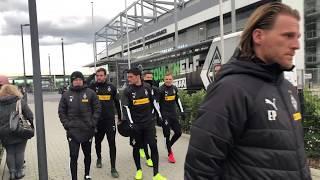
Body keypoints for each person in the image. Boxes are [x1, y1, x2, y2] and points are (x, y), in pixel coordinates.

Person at [185, 2, 311, 180]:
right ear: (258, 36)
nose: (296, 45)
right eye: (288, 36)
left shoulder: (287, 88)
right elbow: (200, 168)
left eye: (298, 36)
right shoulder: (230, 90)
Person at [121, 68, 166, 180]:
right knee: (137, 147)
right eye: (128, 76)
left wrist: (159, 115)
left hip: (149, 124)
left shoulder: (147, 87)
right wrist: (131, 123)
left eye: (131, 76)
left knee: (153, 147)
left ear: (138, 76)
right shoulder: (127, 91)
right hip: (136, 125)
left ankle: (156, 174)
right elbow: (125, 108)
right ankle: (139, 170)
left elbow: (153, 103)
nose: (128, 78)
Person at [58, 71, 101, 180]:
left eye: (79, 80)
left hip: (88, 130)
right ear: (72, 81)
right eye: (75, 80)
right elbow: (61, 111)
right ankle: (74, 178)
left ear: (83, 81)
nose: (78, 82)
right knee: (73, 156)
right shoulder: (66, 94)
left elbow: (97, 109)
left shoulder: (90, 93)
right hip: (73, 131)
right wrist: (67, 124)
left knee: (87, 154)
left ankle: (87, 175)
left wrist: (93, 123)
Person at [87, 68, 121, 178]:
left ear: (105, 76)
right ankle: (99, 158)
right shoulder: (92, 87)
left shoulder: (112, 87)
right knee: (97, 142)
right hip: (97, 121)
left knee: (112, 143)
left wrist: (120, 117)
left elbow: (117, 103)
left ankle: (113, 168)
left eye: (101, 75)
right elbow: (84, 85)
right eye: (97, 75)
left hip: (109, 121)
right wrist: (92, 76)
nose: (99, 77)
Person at [0, 83, 34, 180]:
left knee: (9, 152)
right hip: (19, 130)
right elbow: (30, 115)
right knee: (19, 152)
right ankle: (19, 172)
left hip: (4, 133)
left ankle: (12, 173)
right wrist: (29, 123)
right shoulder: (20, 101)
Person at [158, 72, 185, 163]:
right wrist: (159, 116)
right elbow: (157, 104)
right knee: (167, 135)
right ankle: (170, 154)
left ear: (172, 80)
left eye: (170, 79)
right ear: (164, 80)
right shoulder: (161, 90)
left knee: (178, 133)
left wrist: (182, 111)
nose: (168, 81)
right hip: (165, 115)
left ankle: (169, 145)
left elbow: (178, 100)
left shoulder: (174, 88)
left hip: (173, 115)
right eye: (166, 79)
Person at [138, 71, 159, 167]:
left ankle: (147, 153)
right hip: (141, 118)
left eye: (151, 77)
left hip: (152, 118)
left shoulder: (155, 89)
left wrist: (159, 115)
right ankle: (148, 157)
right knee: (144, 139)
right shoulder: (141, 88)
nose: (150, 79)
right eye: (147, 77)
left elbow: (156, 103)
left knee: (152, 140)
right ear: (143, 78)